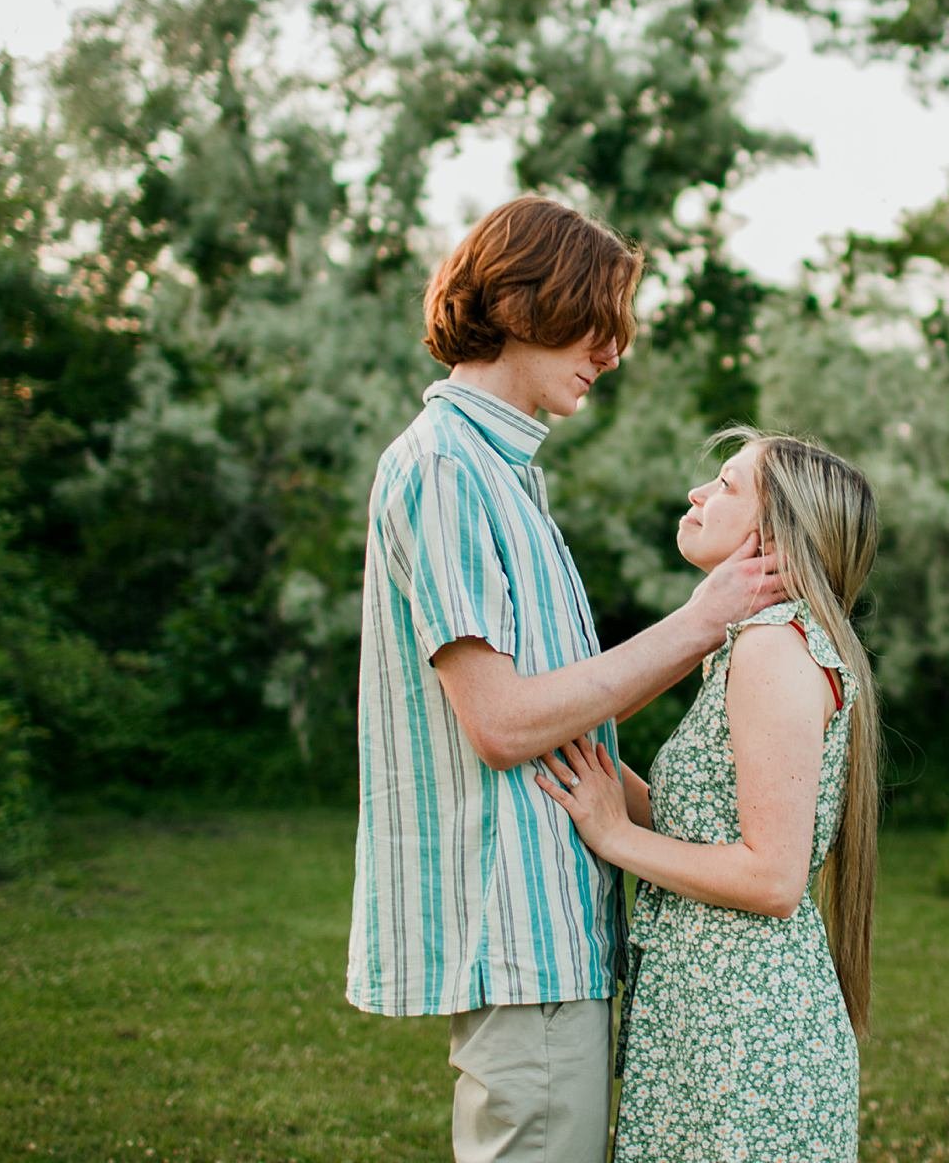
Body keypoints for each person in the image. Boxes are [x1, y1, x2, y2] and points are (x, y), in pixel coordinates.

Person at [348, 195, 789, 1163]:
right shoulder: (447, 470)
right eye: (595, 321)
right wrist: (700, 620)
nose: (611, 349)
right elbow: (503, 724)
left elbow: (563, 706)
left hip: (555, 916)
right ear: (515, 302)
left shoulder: (504, 475)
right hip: (520, 918)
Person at [535, 428, 881, 1163]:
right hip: (708, 1016)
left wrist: (614, 837)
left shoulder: (771, 651)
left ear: (771, 531)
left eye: (725, 484)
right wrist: (588, 769)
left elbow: (772, 878)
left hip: (748, 1040)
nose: (697, 494)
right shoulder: (746, 646)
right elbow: (708, 828)